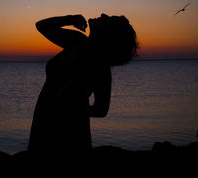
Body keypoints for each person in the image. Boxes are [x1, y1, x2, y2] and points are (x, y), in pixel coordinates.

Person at [28, 14, 138, 160]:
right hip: (43, 121)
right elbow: (41, 26)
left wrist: (74, 110)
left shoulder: (101, 66)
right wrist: (70, 19)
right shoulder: (77, 41)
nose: (103, 14)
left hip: (69, 132)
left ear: (107, 33)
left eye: (108, 19)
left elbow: (101, 109)